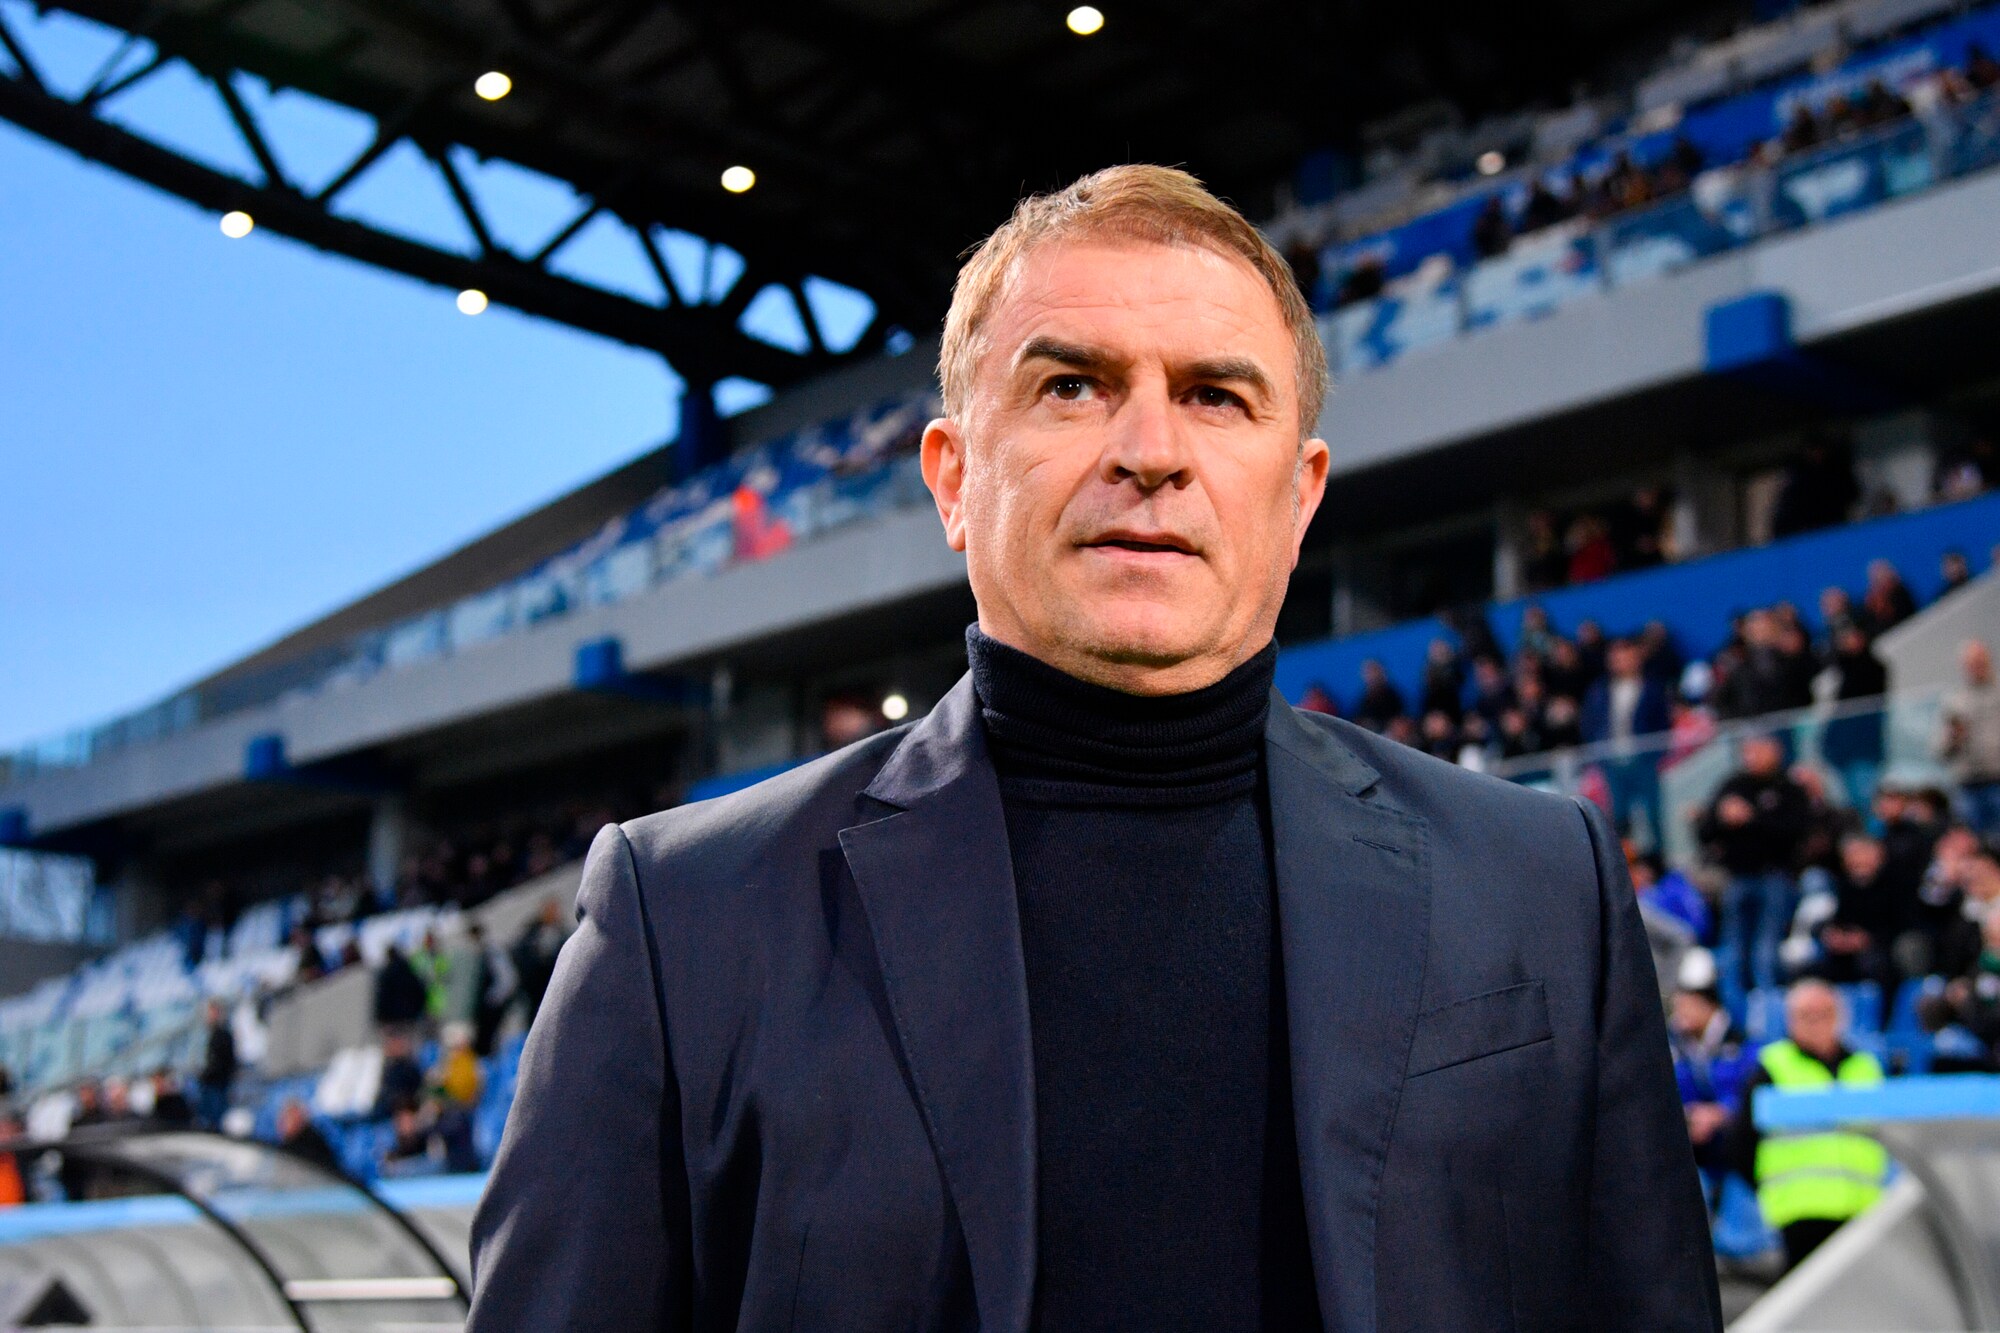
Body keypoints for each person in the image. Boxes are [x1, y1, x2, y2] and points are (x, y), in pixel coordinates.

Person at [469, 164, 1720, 1331]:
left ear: (1299, 496)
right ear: (952, 479)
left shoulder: (1538, 881)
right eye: (1070, 386)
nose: (1150, 452)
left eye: (1215, 396)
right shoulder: (684, 914)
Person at [1730, 980, 1888, 1270]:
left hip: (1862, 1209)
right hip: (1800, 1213)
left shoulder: (1866, 1067)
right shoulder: (1771, 1066)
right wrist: (1769, 1186)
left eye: (1825, 1013)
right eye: (1806, 1015)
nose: (1816, 1023)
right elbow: (1741, 1140)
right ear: (1790, 1019)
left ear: (1841, 1016)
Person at [1701, 735, 1810, 1004]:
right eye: (1747, 751)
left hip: (1775, 877)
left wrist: (1752, 818)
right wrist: (1720, 817)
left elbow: (1796, 833)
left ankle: (1769, 1007)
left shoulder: (1789, 788)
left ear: (1775, 751)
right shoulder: (1733, 786)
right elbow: (1706, 831)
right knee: (1734, 949)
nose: (1752, 757)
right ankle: (1735, 1009)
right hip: (1738, 877)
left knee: (1766, 949)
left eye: (1758, 750)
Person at [1938, 640, 2000, 838]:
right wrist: (1954, 736)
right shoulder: (1955, 701)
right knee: (1973, 844)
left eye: (1980, 661)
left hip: (1997, 779)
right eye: (1971, 663)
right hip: (1968, 785)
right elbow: (1939, 750)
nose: (1976, 667)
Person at [511, 899, 571, 1027]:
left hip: (552, 986)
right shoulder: (532, 932)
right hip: (533, 987)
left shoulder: (562, 933)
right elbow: (520, 953)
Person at [196, 1000, 237, 1130]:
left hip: (217, 1083)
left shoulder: (223, 1035)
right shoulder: (206, 1035)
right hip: (209, 1083)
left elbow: (225, 1061)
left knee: (216, 1118)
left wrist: (207, 1073)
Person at [275, 1097, 343, 1175]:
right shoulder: (284, 1146)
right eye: (282, 1119)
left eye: (289, 1117)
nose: (283, 1123)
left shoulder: (313, 1145)